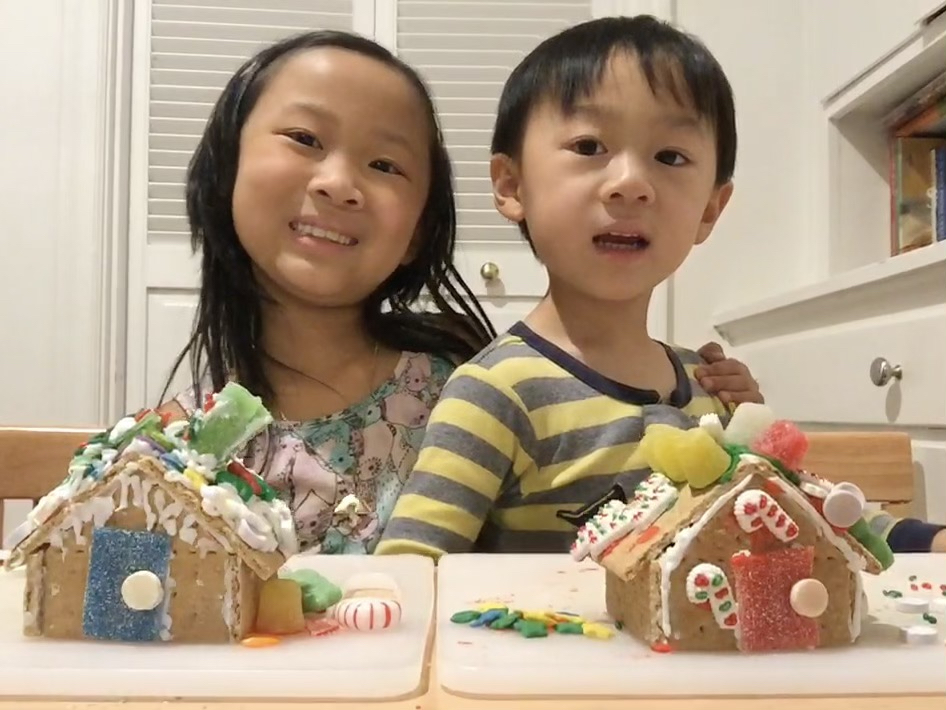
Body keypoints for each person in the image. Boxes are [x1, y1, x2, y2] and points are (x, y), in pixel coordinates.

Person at [158, 29, 763, 555]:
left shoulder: (458, 381)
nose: (340, 185)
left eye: (386, 165)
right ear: (227, 163)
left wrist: (741, 425)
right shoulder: (174, 453)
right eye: (305, 137)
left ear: (422, 221)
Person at [376, 16, 944, 558]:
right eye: (589, 147)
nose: (631, 184)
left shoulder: (711, 390)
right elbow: (409, 574)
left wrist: (923, 541)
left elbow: (805, 508)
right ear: (511, 184)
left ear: (709, 210)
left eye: (670, 156)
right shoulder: (495, 393)